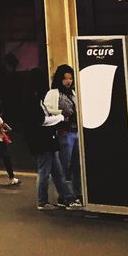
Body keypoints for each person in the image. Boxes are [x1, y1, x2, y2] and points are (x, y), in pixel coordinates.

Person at [29, 78, 79, 210]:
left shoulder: (39, 101)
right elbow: (41, 120)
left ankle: (66, 198)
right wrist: (60, 117)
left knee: (57, 171)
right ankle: (42, 202)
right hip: (41, 141)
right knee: (44, 172)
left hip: (48, 140)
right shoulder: (33, 102)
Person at [50, 64, 80, 193]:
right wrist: (63, 115)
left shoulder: (73, 93)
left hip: (76, 130)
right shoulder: (55, 94)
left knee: (77, 165)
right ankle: (64, 194)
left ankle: (77, 192)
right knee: (64, 165)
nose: (68, 81)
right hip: (64, 132)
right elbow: (50, 111)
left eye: (70, 78)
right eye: (65, 78)